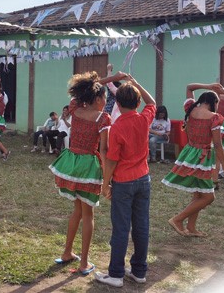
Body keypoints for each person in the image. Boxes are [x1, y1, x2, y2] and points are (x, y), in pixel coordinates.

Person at [96, 75, 155, 288]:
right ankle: (139, 271)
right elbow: (152, 103)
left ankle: (116, 274)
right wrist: (137, 84)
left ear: (117, 104)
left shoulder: (117, 126)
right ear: (137, 103)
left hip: (123, 182)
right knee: (141, 226)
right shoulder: (144, 118)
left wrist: (105, 184)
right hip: (143, 179)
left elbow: (112, 159)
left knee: (121, 228)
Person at [49, 71, 109, 276]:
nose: (106, 101)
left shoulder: (75, 110)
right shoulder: (103, 117)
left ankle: (67, 252)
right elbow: (103, 150)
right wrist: (107, 177)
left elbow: (78, 96)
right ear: (98, 98)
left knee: (77, 211)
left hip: (71, 164)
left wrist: (98, 83)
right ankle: (83, 263)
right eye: (105, 97)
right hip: (88, 167)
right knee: (88, 214)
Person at [161, 83, 224, 238]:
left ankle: (191, 227)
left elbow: (189, 87)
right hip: (202, 157)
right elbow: (218, 144)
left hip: (190, 153)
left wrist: (209, 86)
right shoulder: (214, 118)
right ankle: (177, 219)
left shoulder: (190, 108)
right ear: (213, 102)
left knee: (198, 195)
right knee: (208, 197)